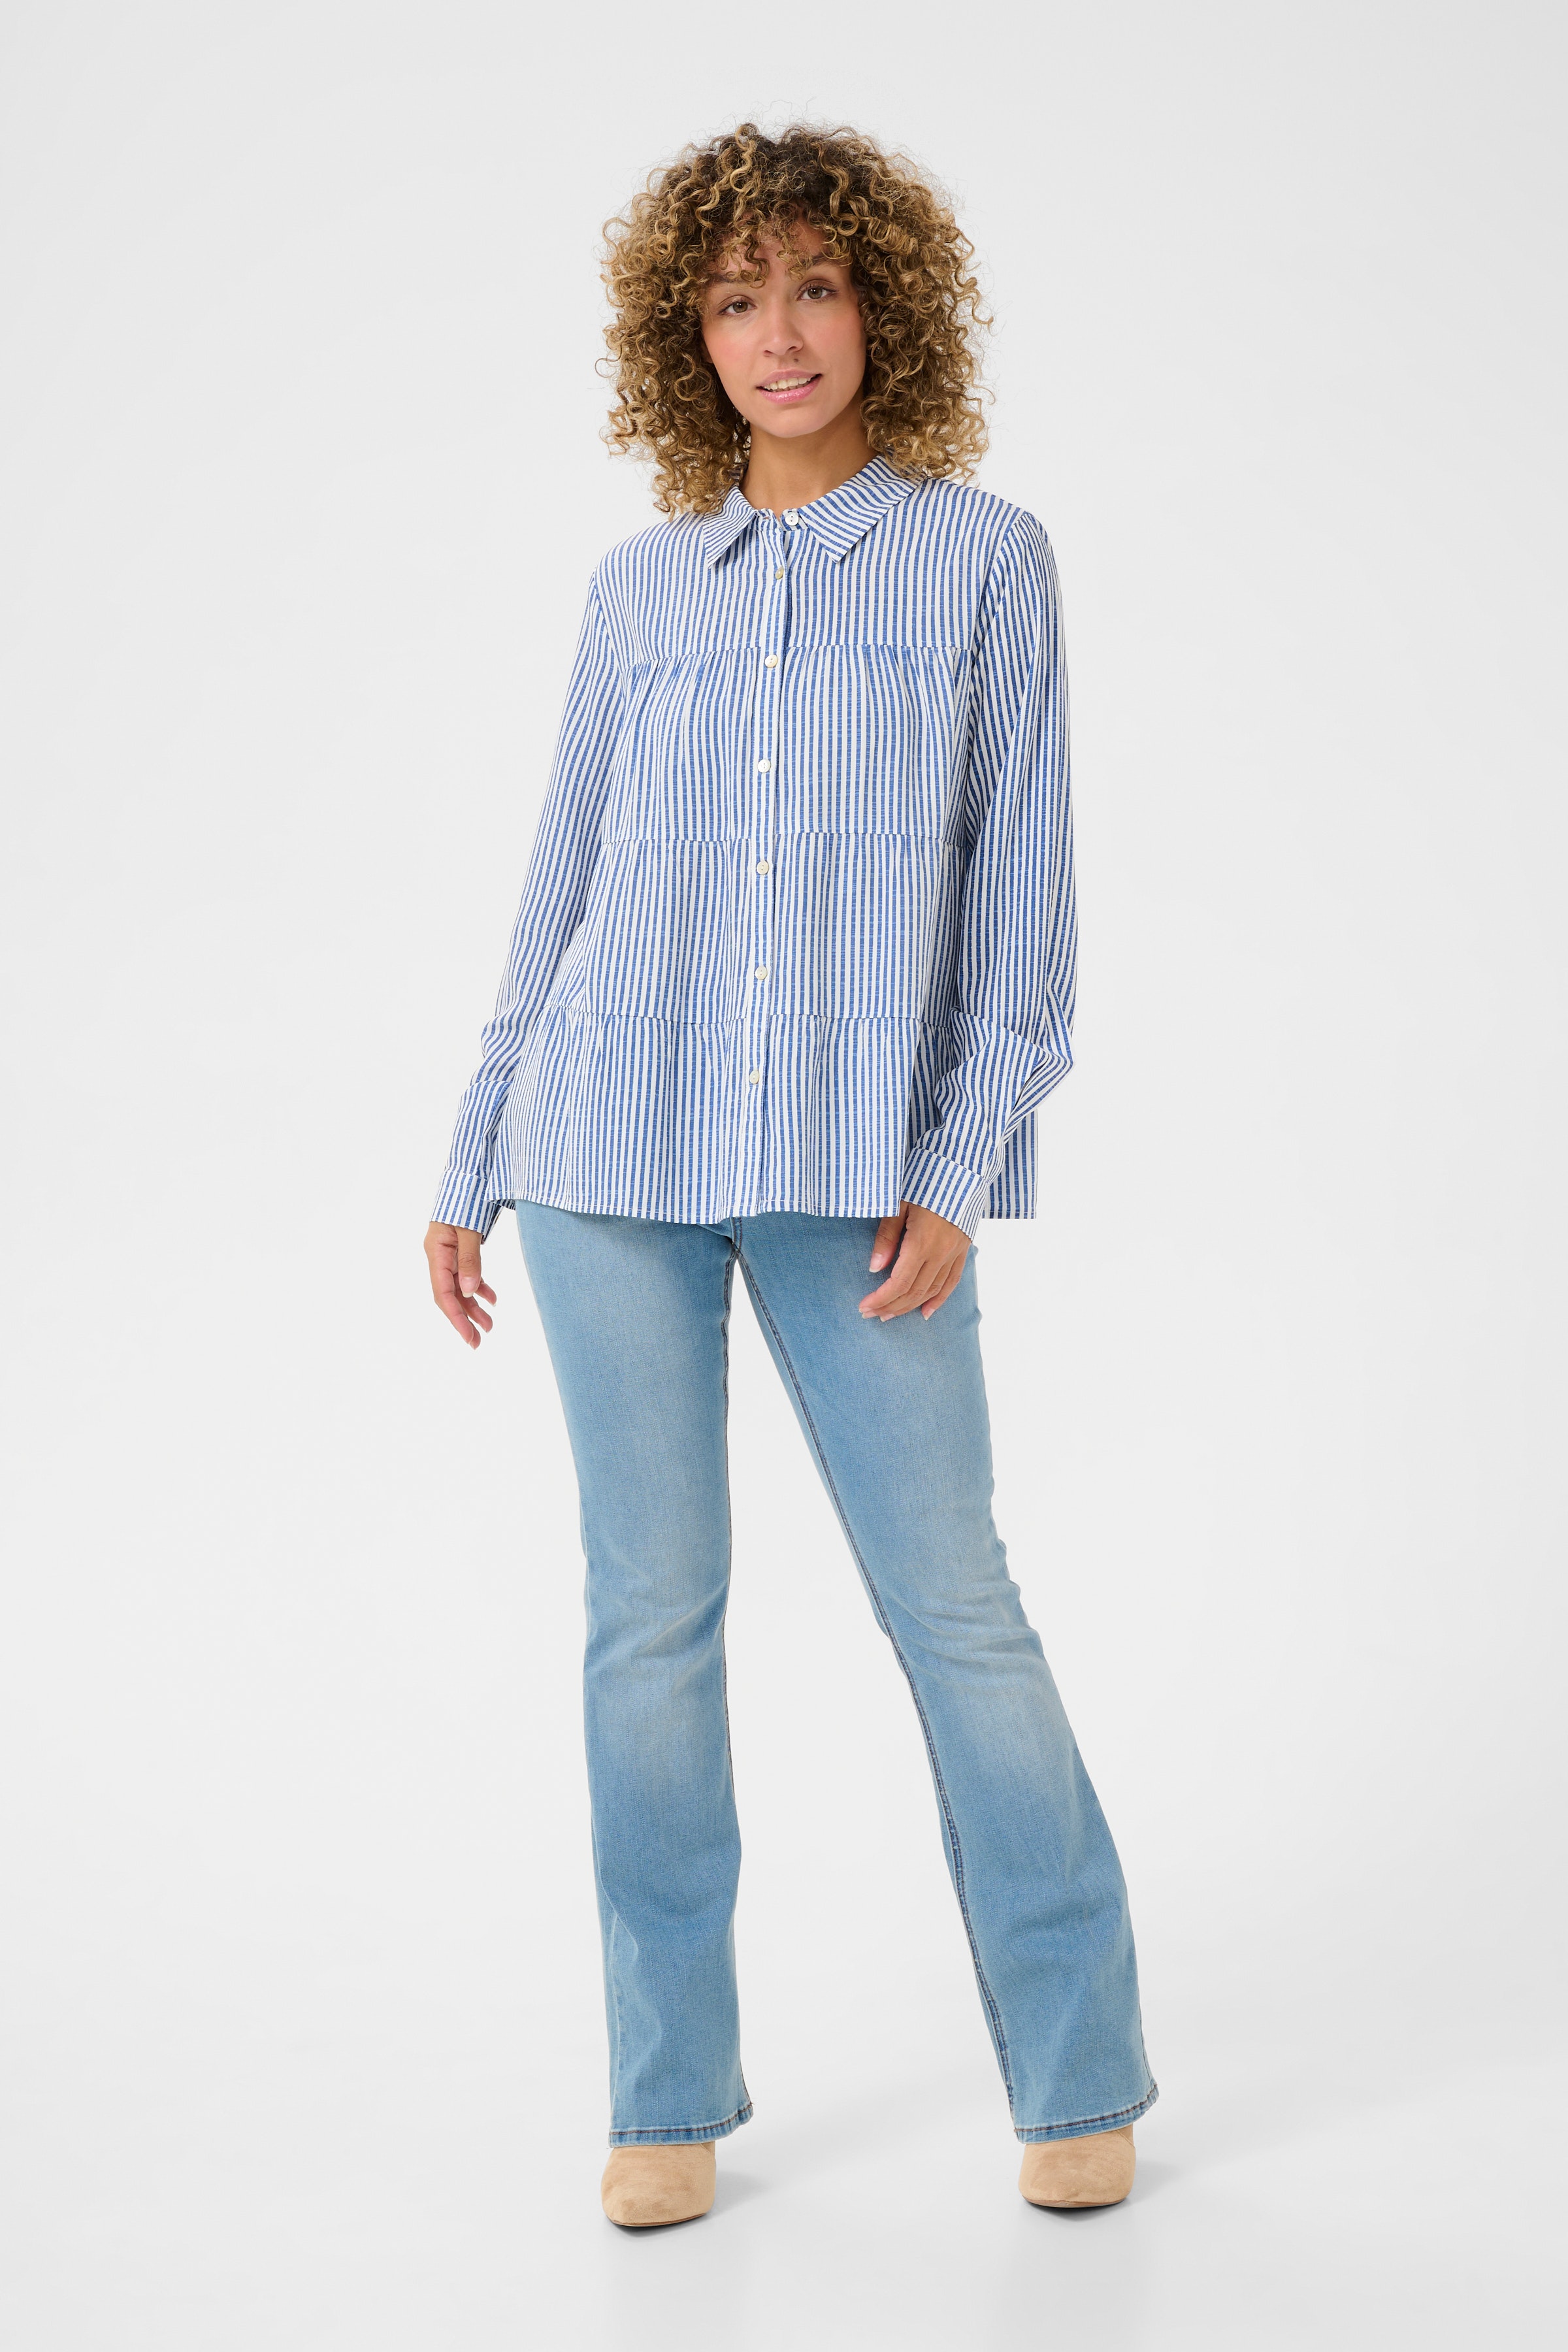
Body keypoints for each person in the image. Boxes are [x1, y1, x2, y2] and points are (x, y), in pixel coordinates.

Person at [423, 122, 1156, 2229]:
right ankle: (665, 2095)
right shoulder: (639, 591)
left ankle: (1080, 2072)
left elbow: (1026, 918)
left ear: (881, 307)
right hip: (608, 1150)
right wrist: (477, 1150)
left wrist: (958, 1163)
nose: (779, 333)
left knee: (958, 1607)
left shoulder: (985, 561)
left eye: (814, 286)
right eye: (736, 298)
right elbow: (563, 884)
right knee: (647, 1626)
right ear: (689, 337)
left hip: (863, 1174)